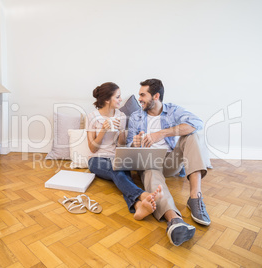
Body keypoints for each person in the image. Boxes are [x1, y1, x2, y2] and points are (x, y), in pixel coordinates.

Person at [126, 78, 211, 246]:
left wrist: (162, 134)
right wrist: (134, 143)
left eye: (143, 95)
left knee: (192, 135)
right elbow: (128, 145)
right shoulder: (136, 116)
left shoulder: (173, 110)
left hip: (171, 161)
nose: (140, 99)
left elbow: (198, 123)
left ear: (156, 96)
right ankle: (175, 220)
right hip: (148, 162)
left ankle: (195, 197)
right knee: (150, 171)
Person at [87, 82, 162, 220]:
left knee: (123, 175)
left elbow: (121, 144)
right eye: (118, 97)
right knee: (116, 171)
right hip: (97, 159)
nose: (121, 100)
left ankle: (139, 206)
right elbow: (92, 148)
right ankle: (143, 195)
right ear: (107, 100)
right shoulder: (92, 117)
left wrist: (121, 130)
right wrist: (104, 129)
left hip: (116, 156)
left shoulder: (121, 116)